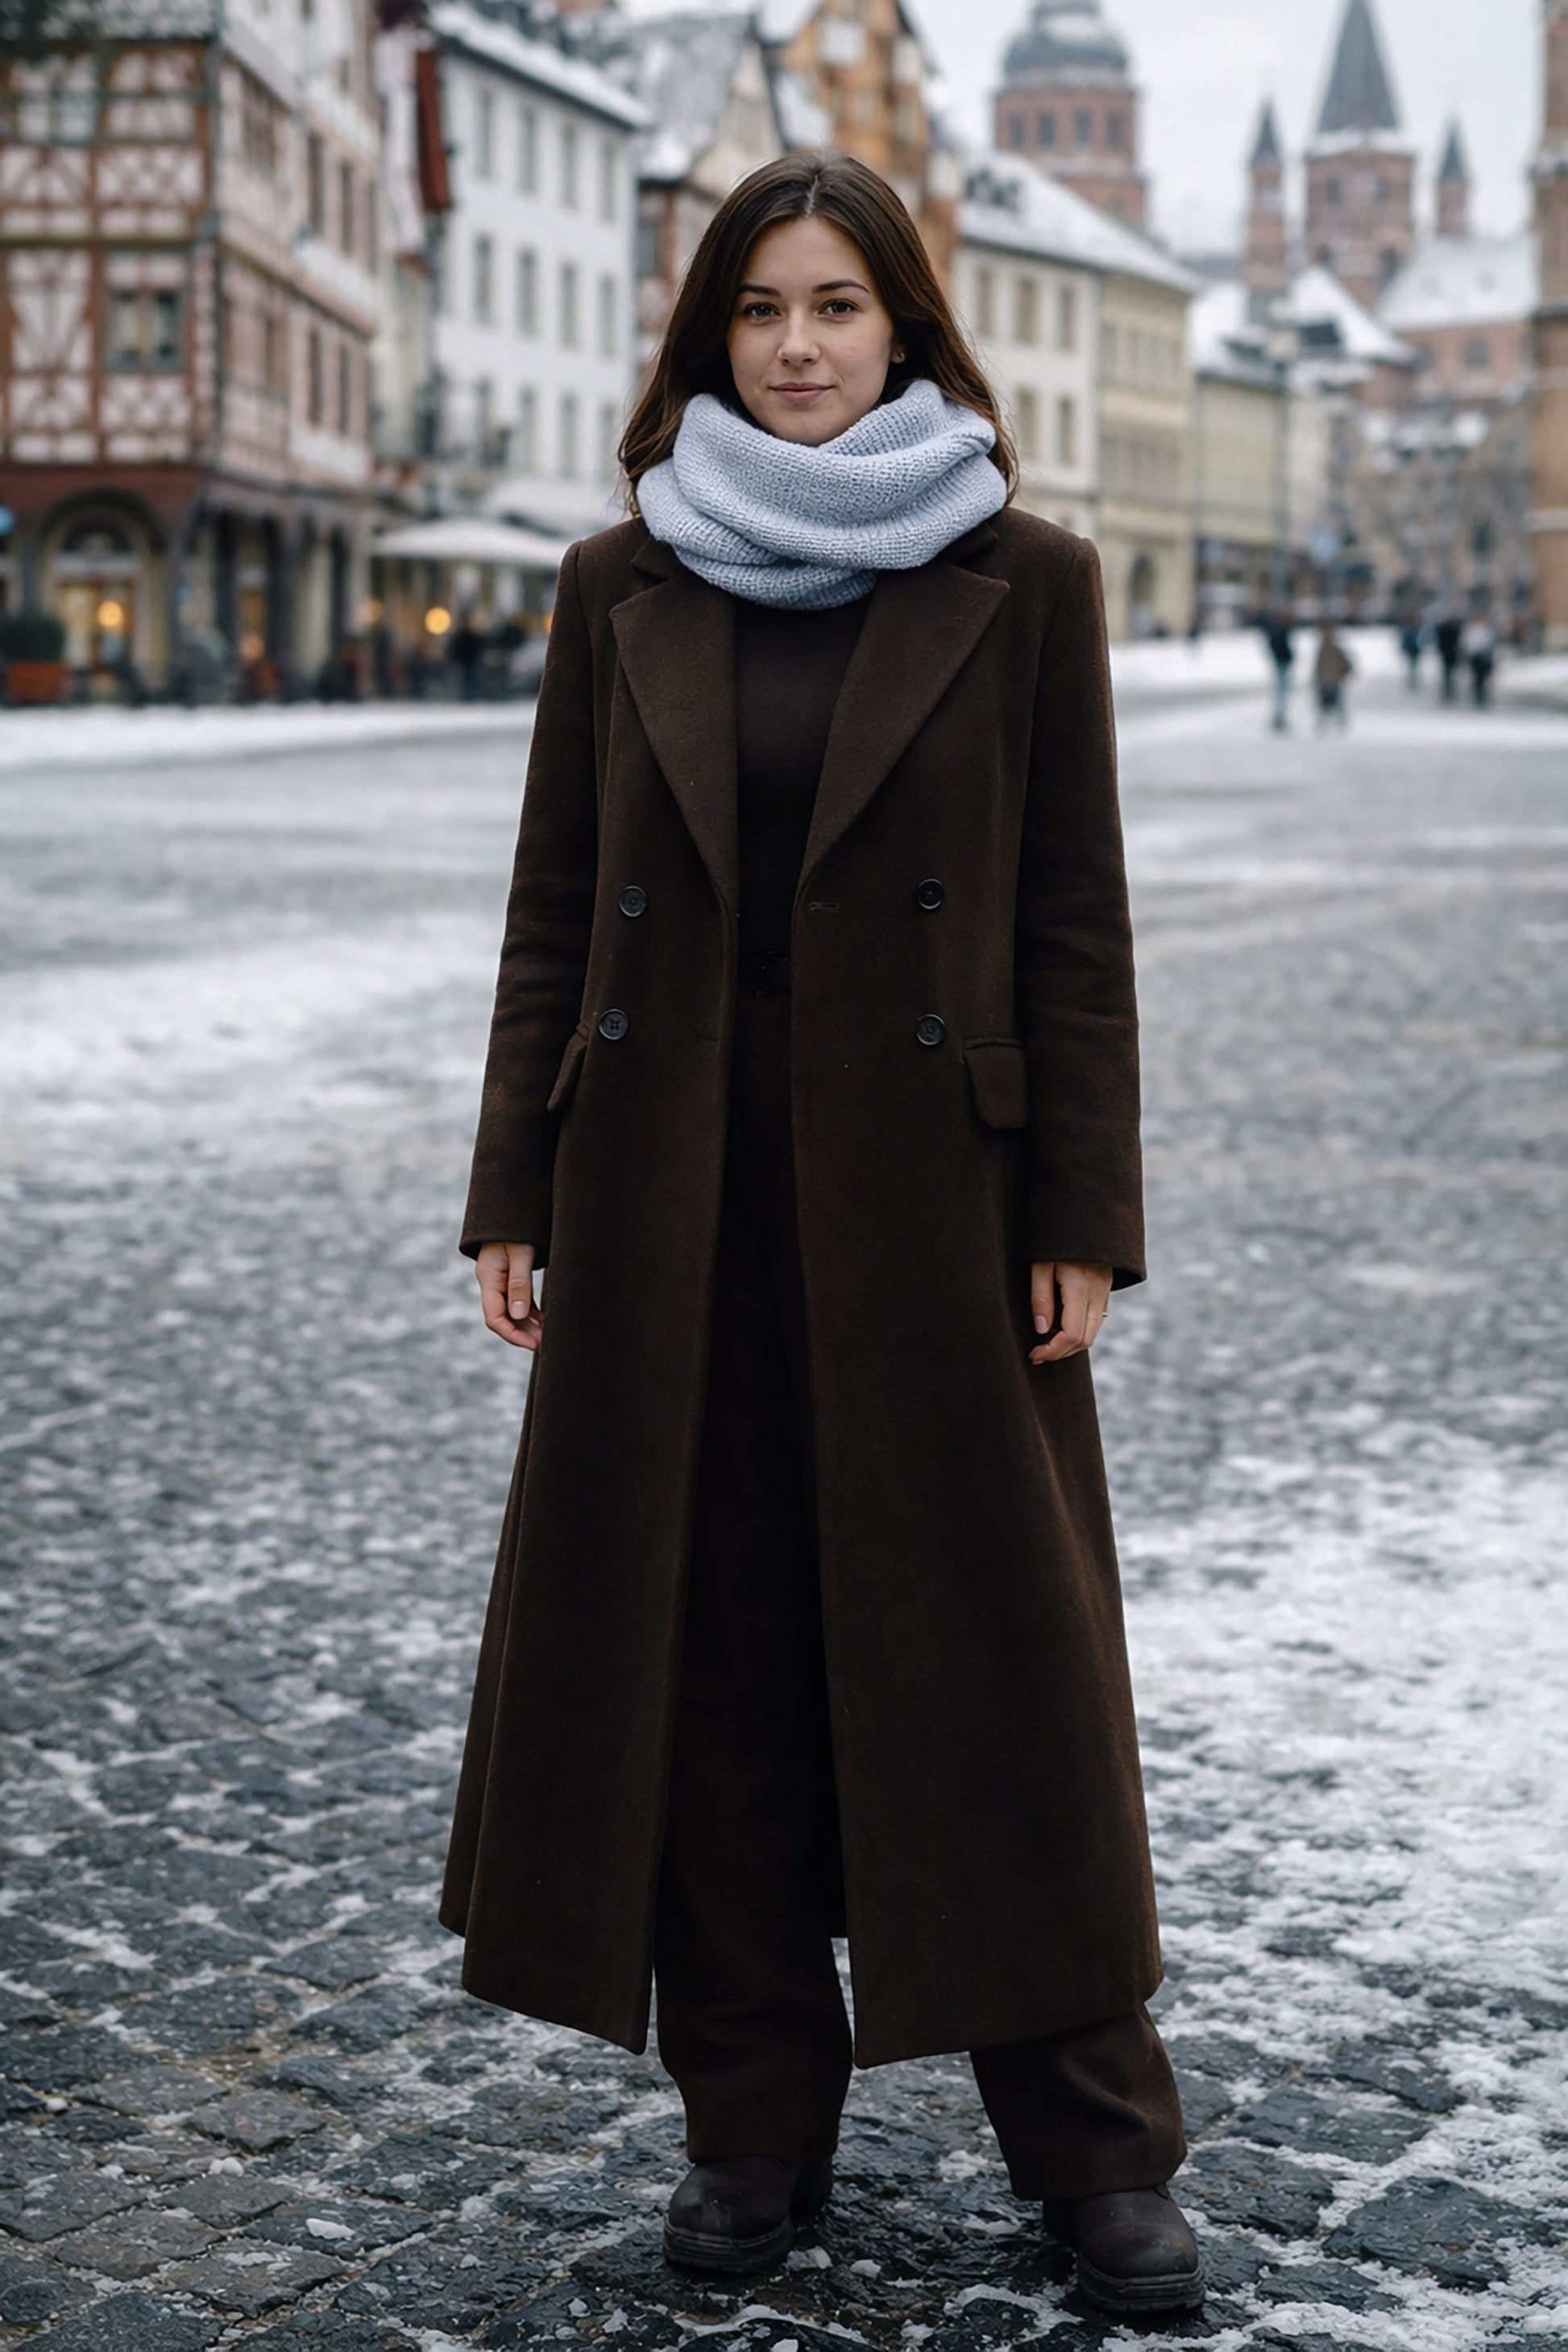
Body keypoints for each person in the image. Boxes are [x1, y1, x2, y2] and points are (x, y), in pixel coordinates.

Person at [441, 151, 1202, 2321]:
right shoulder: (619, 583)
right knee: (718, 1653)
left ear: (904, 332)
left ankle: (1094, 2143)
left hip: (933, 1210)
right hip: (669, 1188)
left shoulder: (1020, 579)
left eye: (837, 305)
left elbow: (1072, 926)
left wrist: (1081, 1209)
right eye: (758, 307)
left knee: (1001, 1665)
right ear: (708, 338)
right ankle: (751, 2123)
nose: (794, 342)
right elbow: (551, 906)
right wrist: (517, 1177)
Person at [1314, 621, 1353, 731]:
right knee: (1326, 703)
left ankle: (1336, 722)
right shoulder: (1323, 649)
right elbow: (1318, 665)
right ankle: (1326, 722)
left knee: (1335, 702)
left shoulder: (1335, 649)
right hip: (1326, 679)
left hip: (1333, 679)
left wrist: (1341, 673)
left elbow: (1346, 664)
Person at [1263, 608, 1294, 731]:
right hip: (1282, 664)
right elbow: (1276, 647)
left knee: (1281, 692)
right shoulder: (1280, 631)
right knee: (1281, 692)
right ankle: (1279, 717)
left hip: (1282, 663)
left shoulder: (1281, 631)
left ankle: (1280, 716)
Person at [1462, 611, 1497, 707]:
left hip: (1484, 657)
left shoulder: (1488, 631)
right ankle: (1477, 695)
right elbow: (1467, 643)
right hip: (1475, 657)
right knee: (1477, 678)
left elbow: (1491, 643)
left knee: (1483, 677)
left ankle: (1482, 695)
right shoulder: (1471, 630)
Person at [1435, 610, 1463, 703]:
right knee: (1448, 674)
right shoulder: (1446, 629)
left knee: (1449, 674)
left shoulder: (1452, 629)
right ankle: (1448, 690)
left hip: (1450, 654)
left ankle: (1449, 690)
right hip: (1448, 654)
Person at [1399, 612, 1423, 690]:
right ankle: (1412, 681)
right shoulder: (1408, 629)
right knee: (1412, 666)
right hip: (1411, 649)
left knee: (1413, 666)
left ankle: (1413, 681)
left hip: (1415, 649)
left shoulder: (1416, 628)